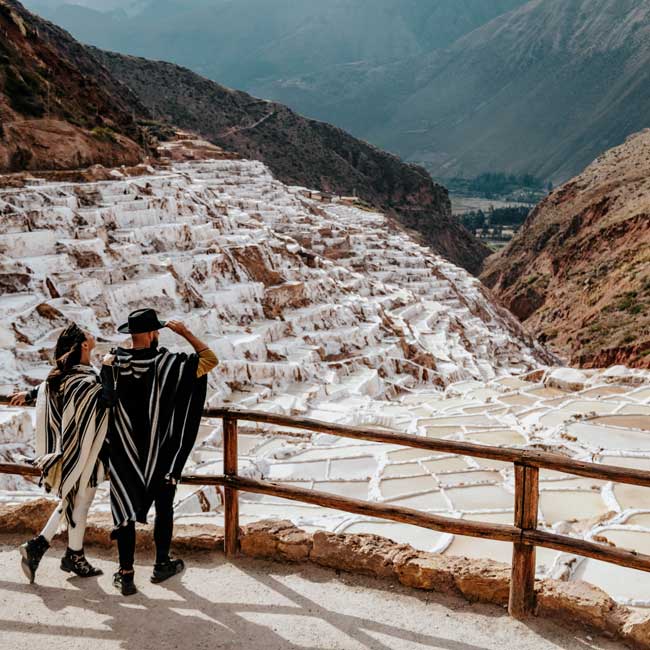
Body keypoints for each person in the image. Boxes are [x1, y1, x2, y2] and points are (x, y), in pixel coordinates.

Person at [104, 308, 218, 596]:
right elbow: (209, 359)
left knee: (125, 510)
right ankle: (161, 564)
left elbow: (103, 397)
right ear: (153, 333)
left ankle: (126, 573)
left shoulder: (114, 362)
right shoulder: (170, 364)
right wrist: (185, 333)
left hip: (125, 452)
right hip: (162, 455)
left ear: (131, 335)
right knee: (164, 506)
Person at [10, 323, 114, 583]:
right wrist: (110, 369)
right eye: (88, 333)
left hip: (71, 450)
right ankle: (64, 553)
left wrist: (30, 393)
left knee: (72, 500)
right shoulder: (86, 380)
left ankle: (51, 549)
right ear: (84, 345)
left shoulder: (70, 375)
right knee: (80, 503)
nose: (93, 333)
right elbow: (107, 400)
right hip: (86, 452)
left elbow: (47, 388)